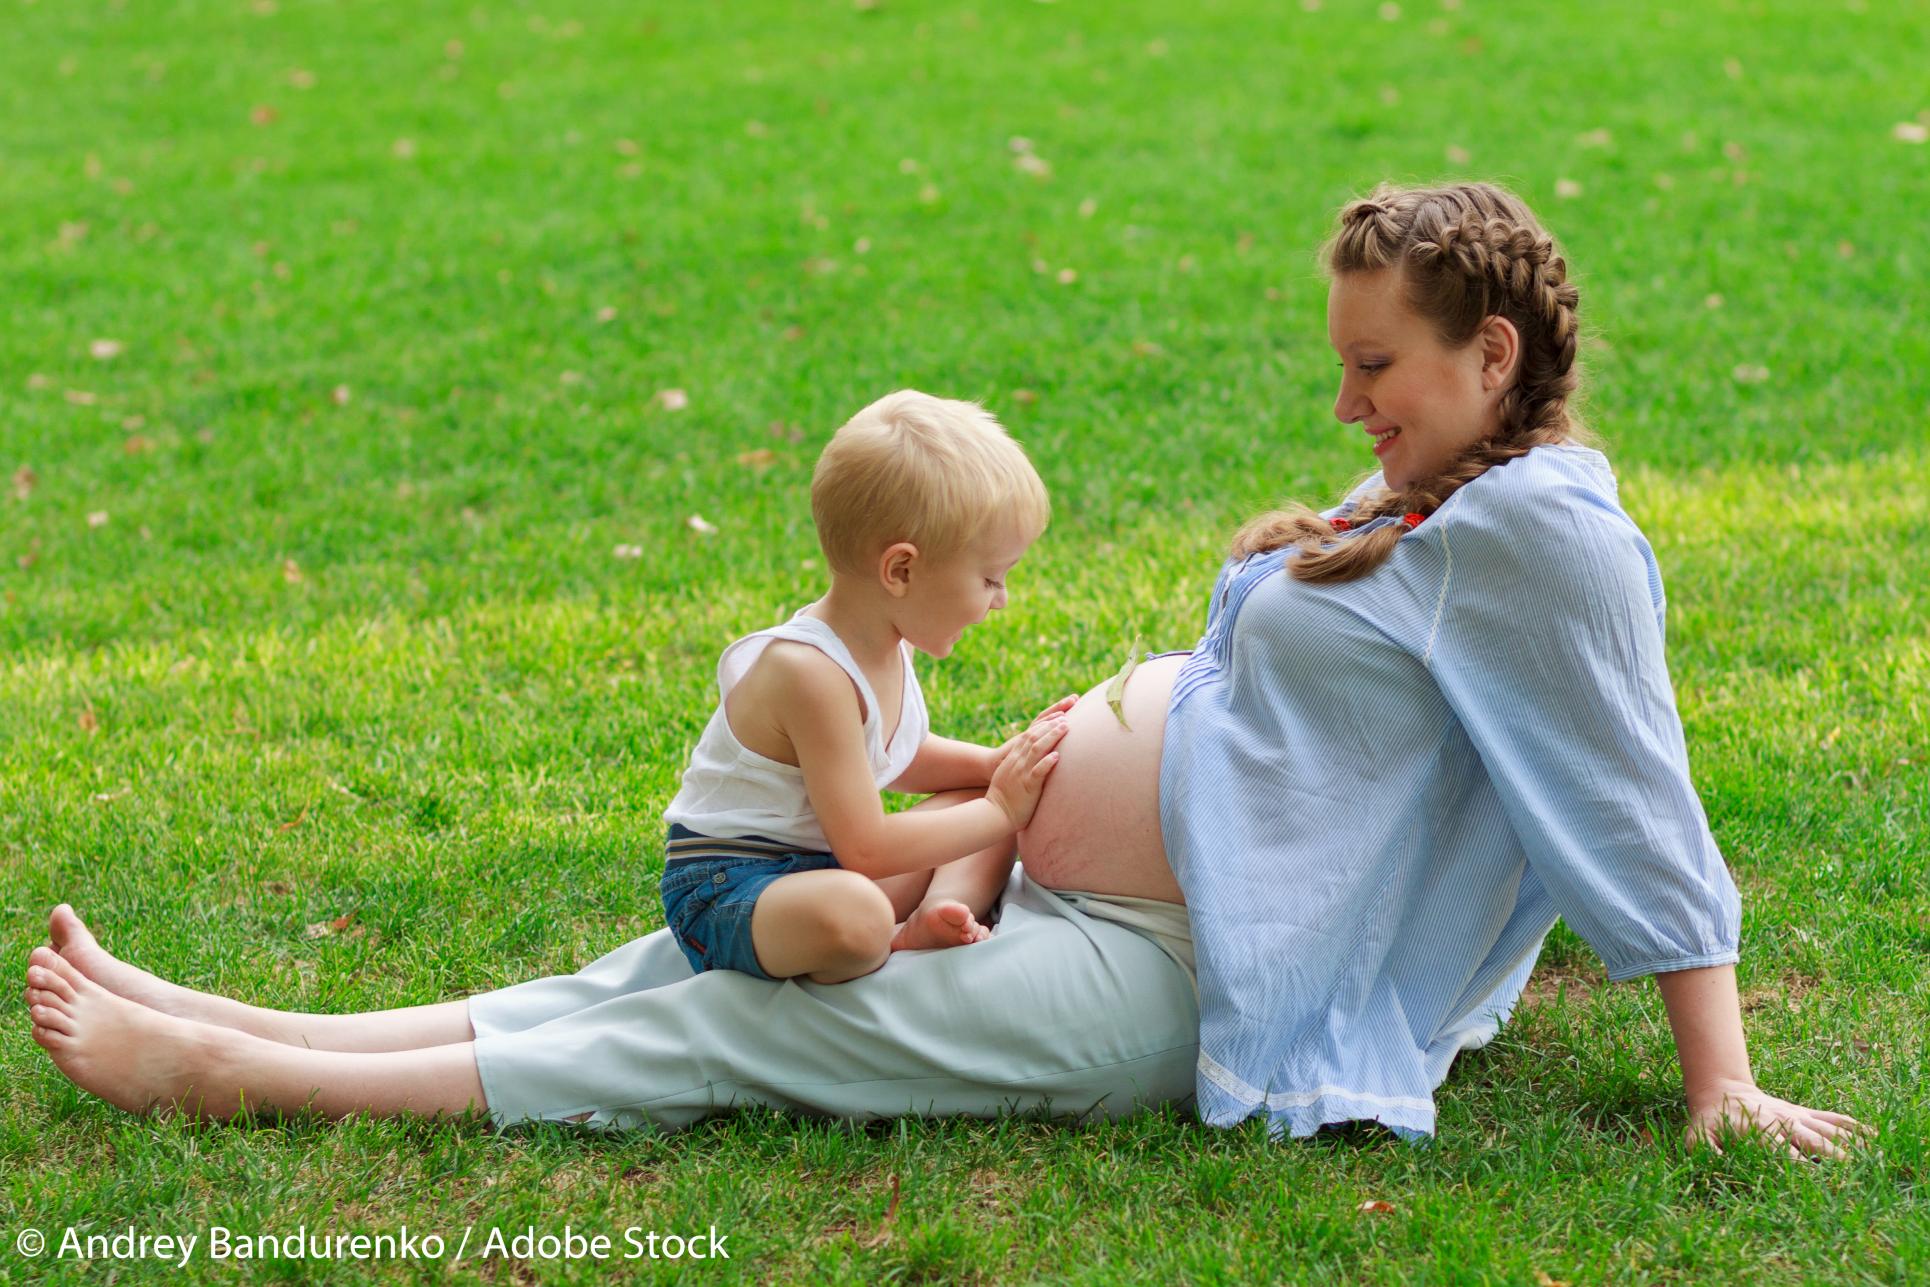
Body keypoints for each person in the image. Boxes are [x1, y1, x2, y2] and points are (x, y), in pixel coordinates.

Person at [24, 181, 1868, 1158]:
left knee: (737, 1026)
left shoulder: (1541, 528)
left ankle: (234, 1079)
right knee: (682, 952)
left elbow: (1625, 783)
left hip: (1168, 969)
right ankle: (251, 1021)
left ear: (1490, 354)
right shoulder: (1452, 487)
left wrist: (1716, 1070)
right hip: (1048, 883)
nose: (1346, 399)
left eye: (1376, 366)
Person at [658, 389, 1072, 985]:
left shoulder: (882, 639)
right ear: (901, 570)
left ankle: (939, 914)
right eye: (989, 578)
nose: (1001, 598)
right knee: (859, 913)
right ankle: (896, 939)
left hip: (821, 865)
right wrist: (1002, 803)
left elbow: (892, 758)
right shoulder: (810, 674)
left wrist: (992, 766)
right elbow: (868, 849)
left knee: (968, 804)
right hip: (734, 891)